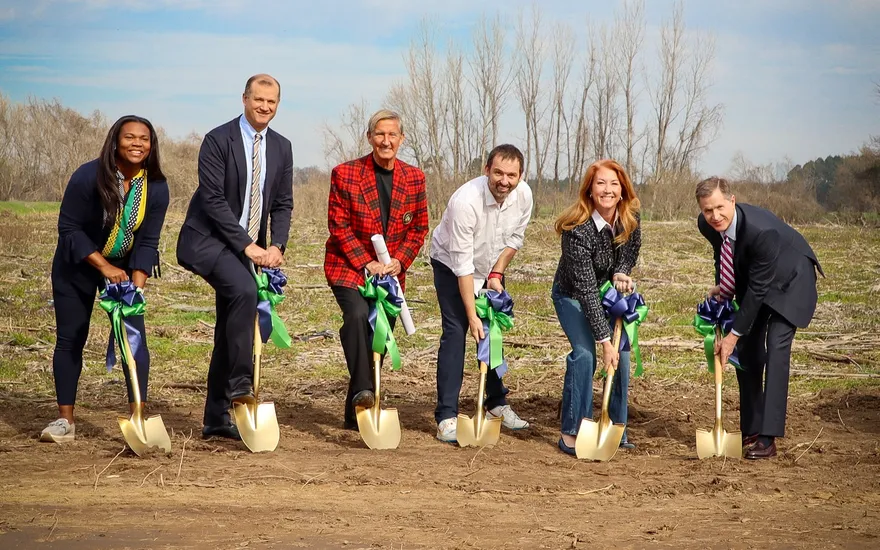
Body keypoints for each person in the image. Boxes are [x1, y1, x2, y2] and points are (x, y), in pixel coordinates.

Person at [177, 74, 294, 441]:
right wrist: (247, 246)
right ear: (244, 99)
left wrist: (277, 246)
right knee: (246, 290)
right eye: (258, 99)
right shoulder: (218, 140)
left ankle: (215, 418)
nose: (264, 107)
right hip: (208, 240)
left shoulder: (282, 146)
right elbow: (212, 201)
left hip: (249, 247)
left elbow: (283, 203)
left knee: (231, 324)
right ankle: (242, 383)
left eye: (271, 101)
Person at [40, 115, 170, 443]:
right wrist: (104, 267)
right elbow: (69, 229)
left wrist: (136, 285)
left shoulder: (156, 186)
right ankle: (65, 421)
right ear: (115, 141)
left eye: (144, 138)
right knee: (72, 337)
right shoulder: (88, 176)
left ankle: (138, 416)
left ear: (151, 145)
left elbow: (148, 240)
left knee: (133, 337)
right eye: (130, 137)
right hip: (79, 262)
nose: (137, 144)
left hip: (126, 264)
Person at [696, 177, 822, 459]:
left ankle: (768, 437)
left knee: (776, 345)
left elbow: (757, 291)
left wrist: (731, 336)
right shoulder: (707, 224)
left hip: (791, 280)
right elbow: (724, 253)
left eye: (719, 208)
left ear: (732, 200)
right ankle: (751, 429)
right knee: (749, 350)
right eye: (707, 210)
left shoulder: (761, 231)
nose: (714, 216)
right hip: (758, 278)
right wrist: (724, 287)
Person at [324, 109, 429, 430]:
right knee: (357, 317)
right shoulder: (345, 174)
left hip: (391, 273)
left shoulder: (415, 178)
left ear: (402, 139)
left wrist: (400, 261)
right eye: (380, 135)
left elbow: (419, 228)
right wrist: (366, 262)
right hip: (349, 267)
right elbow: (338, 225)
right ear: (369, 137)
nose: (386, 141)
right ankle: (364, 391)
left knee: (379, 337)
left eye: (392, 135)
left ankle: (357, 410)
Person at [429, 144, 533, 443]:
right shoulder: (466, 202)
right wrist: (471, 314)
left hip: (490, 265)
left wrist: (497, 273)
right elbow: (462, 265)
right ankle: (446, 417)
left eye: (511, 175)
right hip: (452, 266)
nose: (504, 180)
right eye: (498, 172)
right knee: (458, 329)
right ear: (487, 169)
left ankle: (496, 404)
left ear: (520, 175)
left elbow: (515, 238)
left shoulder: (523, 194)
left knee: (493, 330)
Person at [550, 159, 641, 456]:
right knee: (586, 354)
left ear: (623, 189)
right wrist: (603, 341)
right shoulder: (577, 230)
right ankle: (572, 431)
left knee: (622, 357)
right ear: (589, 190)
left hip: (609, 293)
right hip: (573, 295)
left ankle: (617, 428)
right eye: (600, 183)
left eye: (614, 184)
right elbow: (586, 290)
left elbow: (630, 249)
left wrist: (622, 271)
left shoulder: (631, 217)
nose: (608, 190)